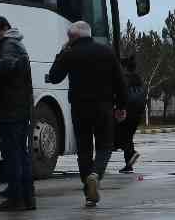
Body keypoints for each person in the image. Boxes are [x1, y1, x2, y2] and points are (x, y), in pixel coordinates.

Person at [45, 21, 127, 207]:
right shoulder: (106, 52)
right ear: (89, 34)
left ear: (72, 38)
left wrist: (62, 52)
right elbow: (120, 81)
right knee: (105, 145)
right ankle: (95, 175)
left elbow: (54, 77)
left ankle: (88, 189)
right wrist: (121, 106)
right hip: (104, 107)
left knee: (84, 149)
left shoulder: (70, 54)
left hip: (79, 108)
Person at [0, 15, 34, 212]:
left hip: (12, 109)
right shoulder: (9, 44)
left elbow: (4, 67)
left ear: (4, 29)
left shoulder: (9, 45)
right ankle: (26, 198)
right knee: (18, 153)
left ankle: (17, 199)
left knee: (12, 154)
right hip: (15, 108)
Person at [116, 55, 148, 173]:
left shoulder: (124, 79)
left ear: (124, 67)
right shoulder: (139, 79)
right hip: (138, 113)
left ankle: (131, 155)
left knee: (123, 137)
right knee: (128, 137)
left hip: (127, 111)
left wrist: (119, 108)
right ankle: (129, 165)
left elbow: (121, 94)